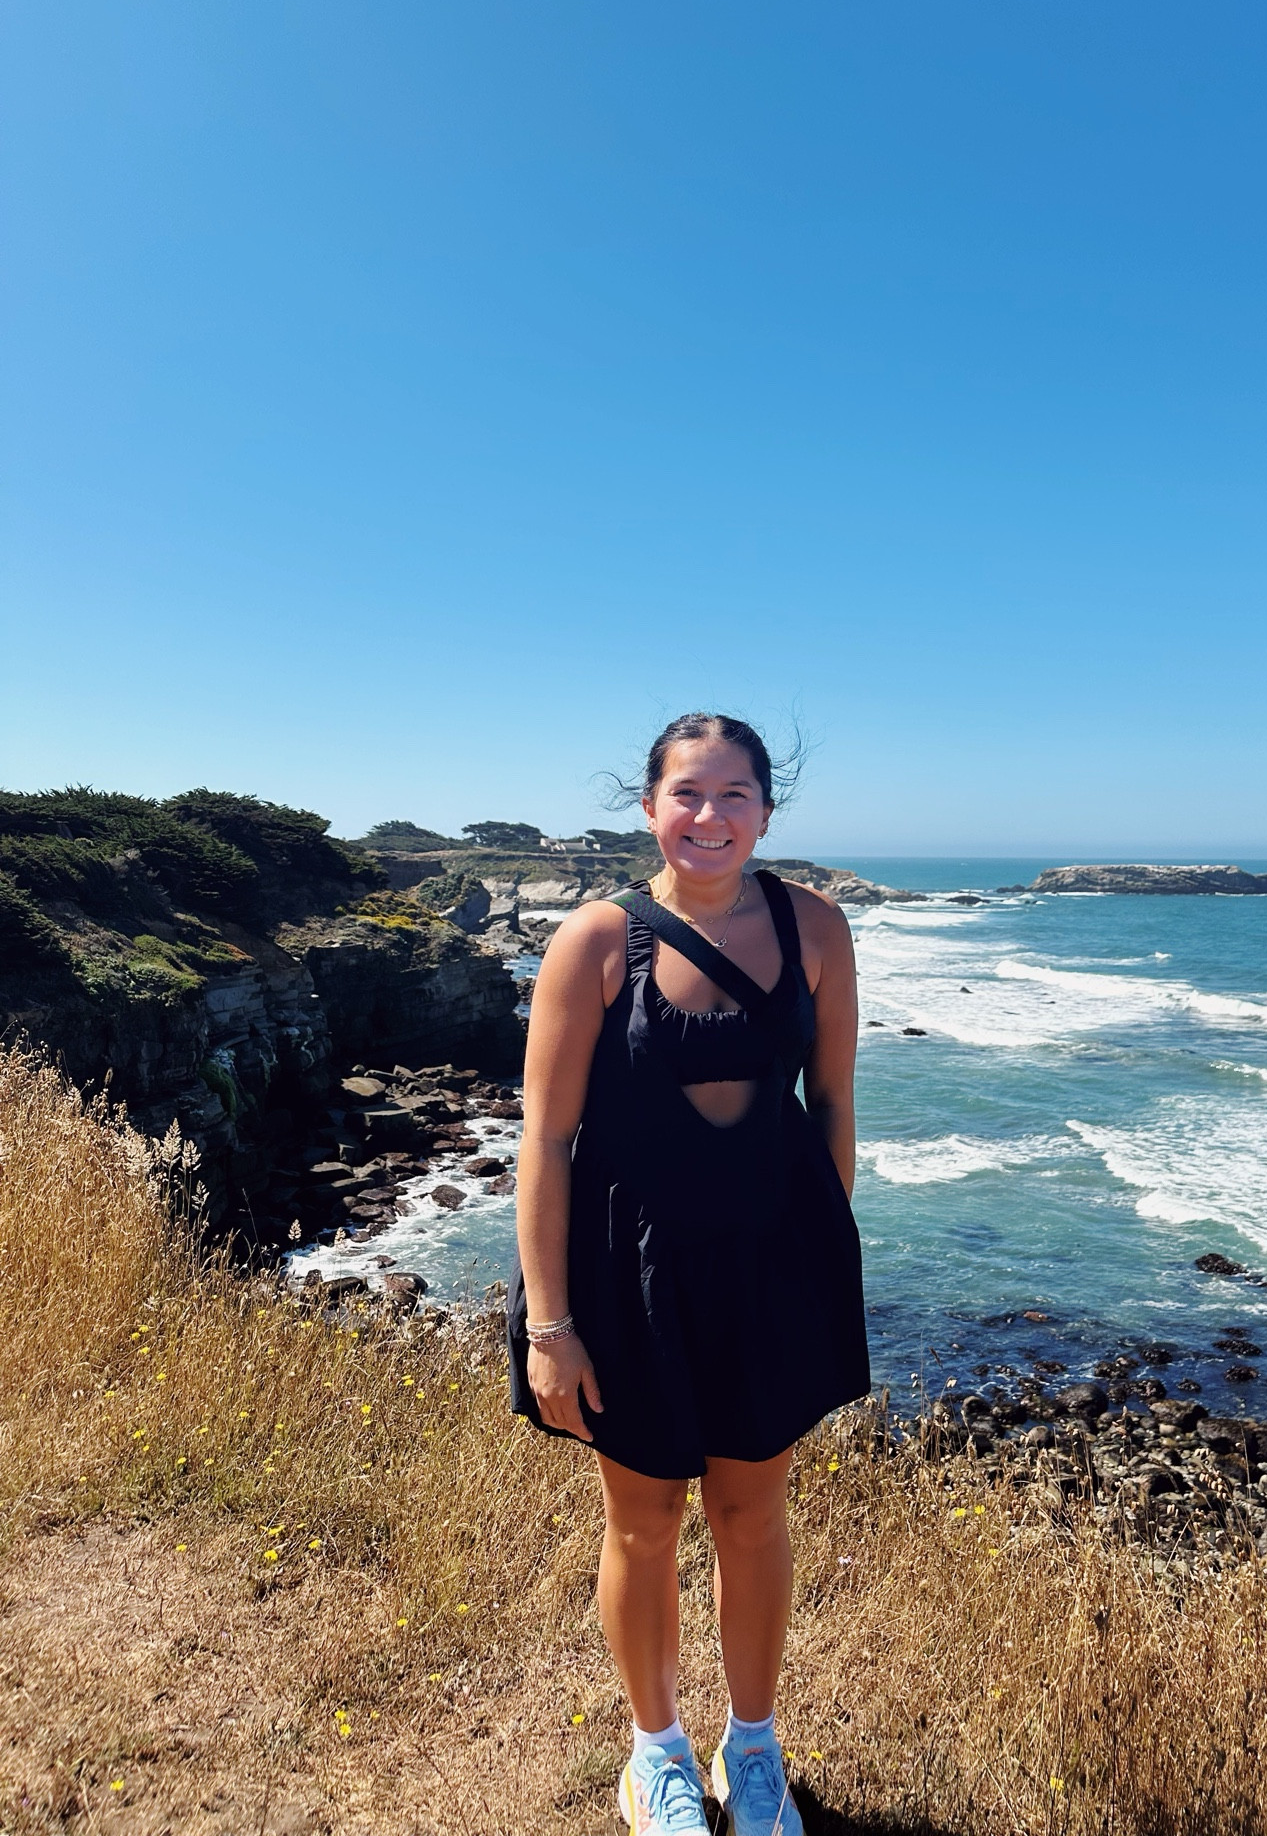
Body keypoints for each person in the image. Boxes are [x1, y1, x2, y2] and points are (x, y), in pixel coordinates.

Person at [509, 713, 869, 1835]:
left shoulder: (816, 926)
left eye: (734, 795)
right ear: (651, 805)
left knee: (753, 1515)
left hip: (768, 1267)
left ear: (766, 809)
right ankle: (655, 1753)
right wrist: (550, 1322)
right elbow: (545, 1139)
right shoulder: (595, 941)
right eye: (688, 793)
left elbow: (834, 1103)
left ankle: (752, 1748)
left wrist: (816, 1260)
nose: (710, 816)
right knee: (644, 1519)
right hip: (628, 1274)